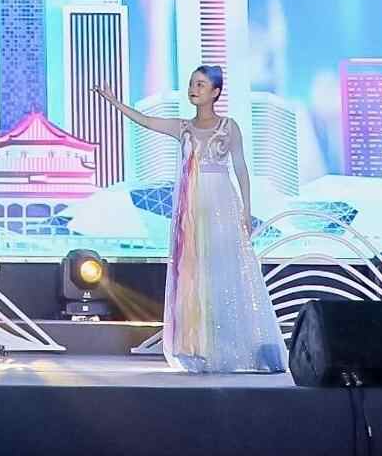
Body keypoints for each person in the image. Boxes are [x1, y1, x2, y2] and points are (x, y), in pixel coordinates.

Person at [100, 66, 285, 373]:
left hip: (221, 205)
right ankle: (199, 347)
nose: (193, 89)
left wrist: (246, 211)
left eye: (200, 84)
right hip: (192, 210)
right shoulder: (183, 127)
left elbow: (241, 169)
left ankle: (235, 348)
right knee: (195, 276)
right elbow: (145, 121)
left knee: (224, 274)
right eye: (191, 84)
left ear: (215, 92)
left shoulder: (229, 127)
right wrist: (113, 101)